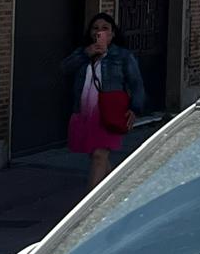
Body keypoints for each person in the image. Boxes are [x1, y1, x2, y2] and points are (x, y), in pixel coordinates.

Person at [61, 12, 146, 190]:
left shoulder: (122, 56)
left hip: (109, 112)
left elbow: (136, 83)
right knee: (96, 155)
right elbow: (64, 69)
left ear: (112, 33)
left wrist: (135, 108)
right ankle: (119, 190)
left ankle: (90, 207)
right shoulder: (84, 52)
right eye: (95, 28)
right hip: (85, 110)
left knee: (100, 154)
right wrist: (86, 54)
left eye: (105, 29)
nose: (99, 32)